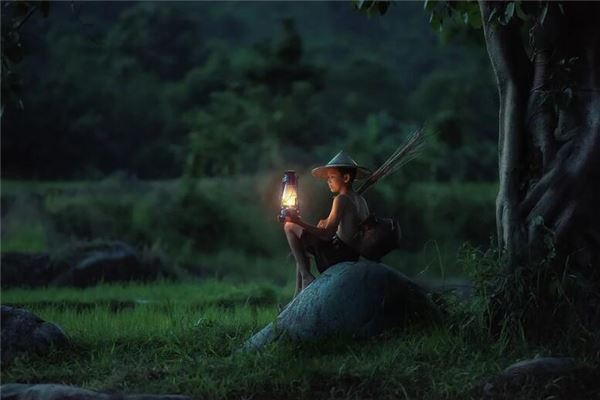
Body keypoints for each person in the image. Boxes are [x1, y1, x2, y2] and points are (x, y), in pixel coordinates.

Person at [283, 151, 371, 298]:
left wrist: (298, 222)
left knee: (289, 226)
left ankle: (306, 276)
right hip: (351, 254)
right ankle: (298, 294)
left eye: (332, 177)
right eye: (327, 178)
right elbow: (338, 227)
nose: (328, 181)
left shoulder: (340, 199)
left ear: (346, 178)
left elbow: (327, 234)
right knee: (302, 249)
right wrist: (322, 225)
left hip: (337, 255)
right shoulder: (361, 200)